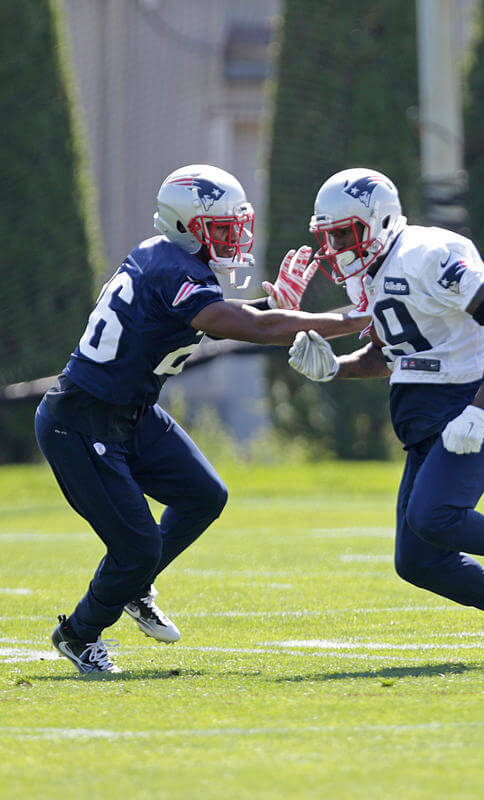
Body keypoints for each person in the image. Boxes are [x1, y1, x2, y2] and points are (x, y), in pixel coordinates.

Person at [36, 163, 363, 675]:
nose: (235, 238)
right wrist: (349, 318)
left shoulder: (167, 261)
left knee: (203, 495)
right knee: (137, 546)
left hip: (131, 413)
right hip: (81, 421)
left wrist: (270, 306)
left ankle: (133, 584)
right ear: (186, 223)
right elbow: (238, 324)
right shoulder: (171, 266)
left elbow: (218, 315)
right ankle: (78, 633)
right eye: (223, 228)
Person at [288, 167, 484, 663]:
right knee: (417, 561)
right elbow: (393, 353)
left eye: (344, 232)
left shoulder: (428, 255)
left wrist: (479, 409)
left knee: (435, 517)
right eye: (329, 235)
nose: (336, 246)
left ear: (379, 221)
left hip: (475, 401)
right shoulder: (371, 271)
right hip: (424, 412)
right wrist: (332, 371)